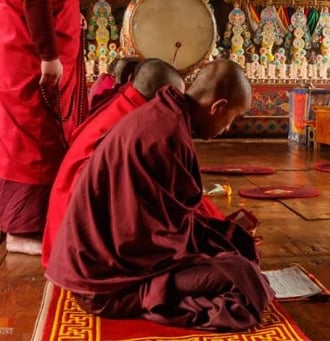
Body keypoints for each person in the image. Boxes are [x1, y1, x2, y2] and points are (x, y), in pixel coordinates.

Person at [45, 60, 274, 330]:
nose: (227, 128)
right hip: (107, 286)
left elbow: (161, 219)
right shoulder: (168, 134)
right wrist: (204, 250)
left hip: (98, 268)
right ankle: (154, 298)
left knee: (233, 243)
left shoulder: (163, 114)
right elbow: (147, 241)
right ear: (217, 107)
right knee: (243, 277)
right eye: (232, 119)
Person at [0, 0, 83, 255]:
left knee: (33, 136)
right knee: (34, 138)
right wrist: (48, 54)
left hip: (22, 49)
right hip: (31, 54)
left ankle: (25, 225)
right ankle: (22, 231)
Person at [41, 59, 185, 267]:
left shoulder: (123, 104)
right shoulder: (137, 125)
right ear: (160, 98)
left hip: (63, 232)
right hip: (81, 246)